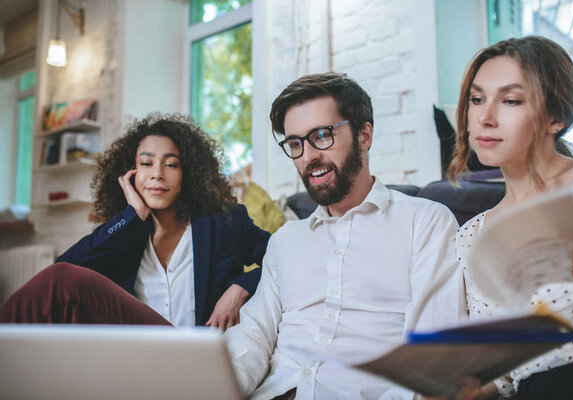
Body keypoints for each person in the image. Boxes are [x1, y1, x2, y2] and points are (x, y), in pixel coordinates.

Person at [224, 72, 467, 399]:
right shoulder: (285, 240)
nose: (308, 157)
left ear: (364, 135)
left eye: (322, 135)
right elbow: (254, 335)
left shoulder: (425, 223)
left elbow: (432, 357)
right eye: (295, 144)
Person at [0, 114, 270, 330]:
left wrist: (240, 288)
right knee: (58, 280)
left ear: (189, 173)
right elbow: (63, 273)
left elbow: (282, 257)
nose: (157, 175)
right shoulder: (123, 234)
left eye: (171, 164)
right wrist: (133, 213)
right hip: (138, 354)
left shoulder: (225, 222)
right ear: (130, 173)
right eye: (146, 163)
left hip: (198, 352)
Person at [448, 36, 573, 399]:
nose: (485, 118)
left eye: (511, 100)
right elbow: (501, 373)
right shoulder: (472, 235)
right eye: (477, 99)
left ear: (556, 118)